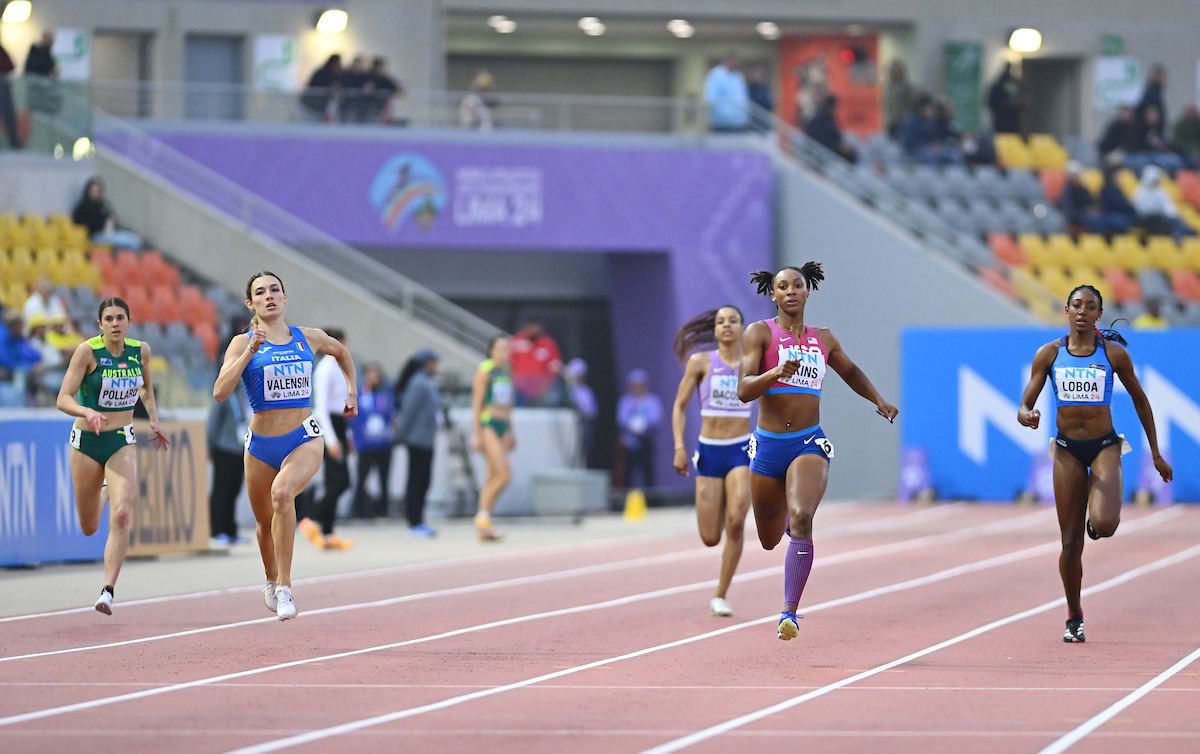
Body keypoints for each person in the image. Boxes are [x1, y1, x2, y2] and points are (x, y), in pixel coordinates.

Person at [736, 264, 898, 641]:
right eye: (782, 287)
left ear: (808, 292)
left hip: (808, 442)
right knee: (768, 539)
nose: (791, 291)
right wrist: (774, 373)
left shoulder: (822, 339)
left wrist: (878, 400)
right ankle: (792, 525)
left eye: (797, 285)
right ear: (772, 295)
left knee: (804, 516)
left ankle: (788, 612)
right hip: (768, 447)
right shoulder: (758, 333)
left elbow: (851, 371)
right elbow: (744, 389)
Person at [1016, 284, 1172, 643]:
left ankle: (1096, 517)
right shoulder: (1049, 355)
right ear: (1066, 311)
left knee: (1106, 523)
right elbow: (1024, 405)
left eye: (1090, 306)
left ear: (1099, 314)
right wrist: (1028, 416)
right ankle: (1074, 615)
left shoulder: (1114, 355)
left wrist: (1157, 453)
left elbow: (1142, 402)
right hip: (1068, 450)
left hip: (1104, 446)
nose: (1083, 311)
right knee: (1070, 545)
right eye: (1076, 305)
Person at [212, 271, 357, 620]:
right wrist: (250, 350)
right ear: (252, 303)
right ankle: (270, 579)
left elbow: (340, 351)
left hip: (303, 437)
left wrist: (352, 391)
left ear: (285, 296)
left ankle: (286, 586)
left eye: (275, 289)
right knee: (264, 522)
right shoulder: (241, 342)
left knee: (282, 494)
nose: (269, 296)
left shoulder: (308, 337)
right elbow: (220, 392)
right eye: (260, 292)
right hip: (261, 444)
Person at [55, 296, 170, 613]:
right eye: (109, 319)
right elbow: (63, 398)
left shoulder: (140, 351)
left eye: (121, 318)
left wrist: (154, 420)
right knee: (89, 525)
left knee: (121, 514)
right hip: (87, 443)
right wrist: (86, 411)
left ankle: (107, 590)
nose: (115, 324)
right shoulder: (88, 352)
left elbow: (146, 388)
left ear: (129, 322)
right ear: (100, 324)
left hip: (121, 439)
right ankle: (104, 491)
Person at [671, 306, 753, 618]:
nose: (727, 325)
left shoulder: (752, 364)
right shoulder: (701, 362)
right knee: (710, 537)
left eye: (733, 320)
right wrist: (679, 447)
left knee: (736, 521)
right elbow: (679, 407)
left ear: (743, 327)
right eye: (721, 322)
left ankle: (721, 594)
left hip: (741, 450)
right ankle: (719, 502)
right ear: (715, 330)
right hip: (709, 451)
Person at [298, 326, 354, 548]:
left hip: (339, 424)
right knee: (341, 481)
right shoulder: (324, 369)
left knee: (335, 480)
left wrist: (346, 435)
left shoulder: (338, 368)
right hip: (328, 425)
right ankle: (312, 519)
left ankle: (328, 532)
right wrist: (331, 440)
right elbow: (320, 408)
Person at [207, 319, 251, 547]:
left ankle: (231, 530)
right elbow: (213, 423)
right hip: (224, 448)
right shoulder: (223, 396)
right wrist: (210, 446)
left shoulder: (242, 396)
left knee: (235, 489)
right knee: (221, 490)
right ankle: (217, 530)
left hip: (239, 448)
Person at [470, 336, 514, 541]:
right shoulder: (485, 370)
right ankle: (482, 516)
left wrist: (511, 430)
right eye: (501, 348)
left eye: (507, 348)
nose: (505, 352)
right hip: (488, 424)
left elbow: (508, 404)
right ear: (492, 351)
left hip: (503, 425)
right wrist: (476, 433)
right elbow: (477, 403)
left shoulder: (505, 371)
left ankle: (485, 525)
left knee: (491, 476)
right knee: (504, 474)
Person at [395, 348, 441, 537]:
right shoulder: (418, 383)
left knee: (424, 480)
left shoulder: (427, 381)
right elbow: (408, 413)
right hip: (417, 439)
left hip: (427, 439)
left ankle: (419, 519)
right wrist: (401, 436)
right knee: (416, 480)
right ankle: (413, 521)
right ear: (426, 362)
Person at [350, 362, 394, 519]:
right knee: (362, 477)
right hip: (365, 444)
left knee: (384, 478)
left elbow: (390, 414)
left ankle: (383, 509)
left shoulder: (384, 394)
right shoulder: (359, 395)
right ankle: (359, 509)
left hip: (383, 443)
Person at [617, 368, 664, 489]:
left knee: (647, 472)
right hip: (630, 443)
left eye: (640, 384)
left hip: (646, 441)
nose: (637, 387)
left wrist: (644, 426)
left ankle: (651, 502)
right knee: (628, 473)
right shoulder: (626, 401)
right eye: (634, 385)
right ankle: (626, 500)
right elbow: (621, 418)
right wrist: (631, 426)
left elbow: (656, 418)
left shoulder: (652, 401)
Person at [71, 177, 142, 249]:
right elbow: (79, 223)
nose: (95, 193)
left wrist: (110, 222)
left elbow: (112, 216)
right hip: (95, 235)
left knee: (134, 239)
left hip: (110, 232)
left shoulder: (103, 204)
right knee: (131, 242)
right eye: (93, 190)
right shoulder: (83, 206)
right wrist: (102, 225)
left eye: (97, 191)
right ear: (88, 191)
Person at [509, 316, 562, 406]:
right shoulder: (517, 341)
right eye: (530, 328)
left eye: (535, 328)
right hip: (520, 386)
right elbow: (509, 362)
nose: (533, 330)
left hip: (541, 387)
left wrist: (543, 385)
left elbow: (555, 367)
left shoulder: (548, 344)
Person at [704, 52, 750, 133]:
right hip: (722, 123)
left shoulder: (738, 75)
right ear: (728, 61)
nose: (737, 64)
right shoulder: (716, 74)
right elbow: (711, 99)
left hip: (739, 122)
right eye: (735, 61)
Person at [805, 94, 857, 163]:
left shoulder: (831, 119)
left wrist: (842, 145)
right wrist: (837, 146)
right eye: (835, 107)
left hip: (833, 149)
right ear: (829, 106)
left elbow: (836, 135)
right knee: (849, 155)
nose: (836, 110)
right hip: (824, 151)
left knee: (853, 152)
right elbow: (818, 139)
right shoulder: (818, 121)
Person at [565, 357, 597, 466]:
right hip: (568, 427)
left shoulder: (587, 392)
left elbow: (592, 412)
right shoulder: (566, 391)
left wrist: (580, 410)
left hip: (583, 426)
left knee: (582, 454)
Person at [24, 30, 62, 116]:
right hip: (38, 94)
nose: (52, 41)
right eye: (50, 39)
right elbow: (31, 69)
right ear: (44, 39)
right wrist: (50, 71)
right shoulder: (36, 52)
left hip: (47, 94)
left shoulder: (47, 53)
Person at [300, 54, 343, 122]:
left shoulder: (337, 75)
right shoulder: (321, 74)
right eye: (338, 64)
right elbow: (314, 87)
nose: (339, 66)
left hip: (321, 108)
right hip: (310, 106)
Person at [987, 61, 1023, 134]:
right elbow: (991, 103)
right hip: (1001, 123)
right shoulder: (998, 86)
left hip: (1014, 124)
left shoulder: (1016, 85)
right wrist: (1006, 103)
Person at [883, 60, 916, 138]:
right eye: (893, 70)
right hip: (892, 120)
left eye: (897, 70)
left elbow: (913, 101)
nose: (895, 72)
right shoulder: (890, 85)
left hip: (903, 120)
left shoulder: (906, 85)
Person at [0, 38, 19, 149]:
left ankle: (14, 144)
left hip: (3, 87)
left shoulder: (2, 50)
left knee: (9, 115)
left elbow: (11, 65)